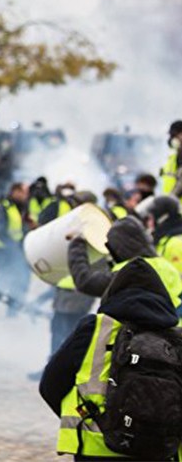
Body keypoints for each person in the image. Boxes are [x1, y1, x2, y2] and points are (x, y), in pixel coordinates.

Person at [39, 257, 182, 460]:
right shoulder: (177, 339)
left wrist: (85, 417)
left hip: (97, 448)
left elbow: (50, 384)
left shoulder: (94, 329)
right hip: (159, 450)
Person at [67, 216, 182, 308]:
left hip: (148, 334)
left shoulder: (130, 272)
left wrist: (77, 242)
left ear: (119, 247)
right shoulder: (164, 265)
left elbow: (85, 282)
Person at [0, 182, 32, 317]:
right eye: (23, 192)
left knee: (20, 281)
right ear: (15, 192)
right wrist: (13, 248)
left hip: (18, 251)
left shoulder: (22, 208)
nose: (26, 196)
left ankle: (12, 312)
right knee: (3, 281)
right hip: (7, 252)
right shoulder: (5, 207)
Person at [144, 195, 182, 275]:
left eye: (151, 218)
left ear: (161, 218)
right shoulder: (164, 240)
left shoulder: (176, 243)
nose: (149, 223)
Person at [160, 119, 182, 198]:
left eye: (174, 135)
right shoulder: (173, 157)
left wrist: (170, 200)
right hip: (174, 206)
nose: (172, 139)